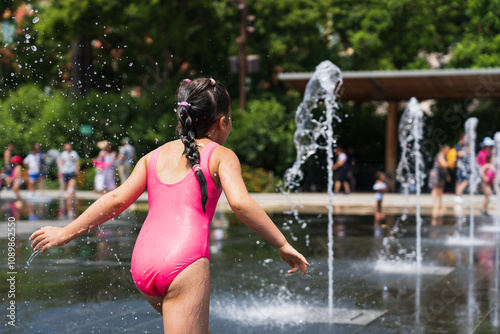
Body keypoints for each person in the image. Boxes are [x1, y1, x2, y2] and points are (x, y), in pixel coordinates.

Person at [29, 77, 309, 334]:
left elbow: (114, 200)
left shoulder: (153, 157)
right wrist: (282, 243)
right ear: (223, 123)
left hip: (143, 264)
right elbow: (240, 202)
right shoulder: (221, 155)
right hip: (184, 265)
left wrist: (65, 232)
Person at [428, 145, 453, 217]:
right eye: (448, 149)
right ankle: (435, 203)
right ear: (443, 149)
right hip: (435, 174)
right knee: (435, 189)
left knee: (440, 189)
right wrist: (452, 160)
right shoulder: (440, 156)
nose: (448, 151)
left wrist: (447, 175)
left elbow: (444, 168)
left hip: (441, 174)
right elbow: (444, 165)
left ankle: (440, 203)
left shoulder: (444, 156)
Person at [454, 134, 469, 203]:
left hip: (464, 166)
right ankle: (458, 194)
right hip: (461, 167)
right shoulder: (458, 145)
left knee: (460, 181)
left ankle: (459, 195)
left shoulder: (464, 146)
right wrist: (466, 152)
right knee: (465, 180)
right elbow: (459, 154)